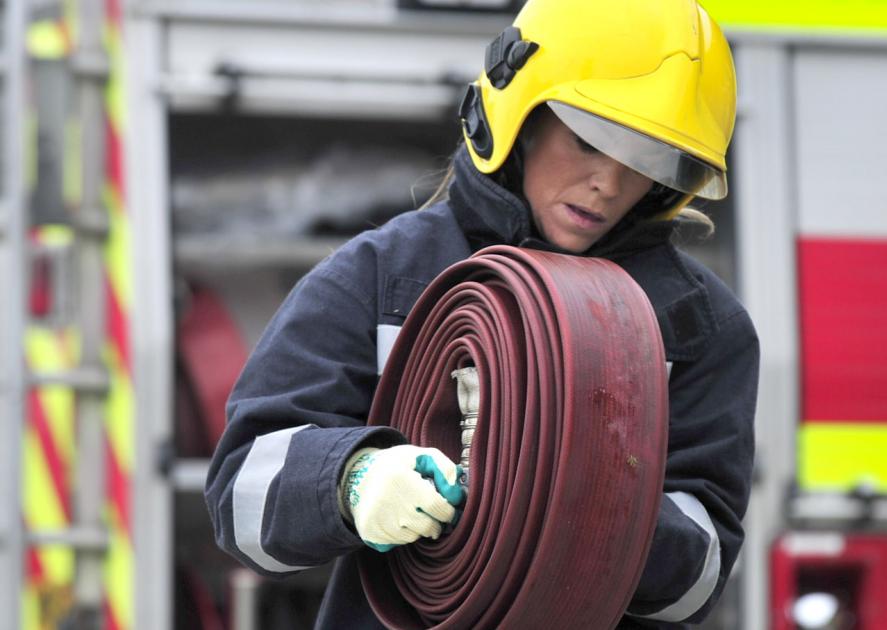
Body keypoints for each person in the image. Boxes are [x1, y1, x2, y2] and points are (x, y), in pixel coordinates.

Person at [204, 0, 758, 627]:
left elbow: (700, 580)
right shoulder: (380, 275)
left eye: (650, 160)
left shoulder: (697, 326)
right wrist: (351, 479)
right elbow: (240, 491)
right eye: (589, 140)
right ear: (519, 114)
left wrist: (585, 505)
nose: (610, 182)